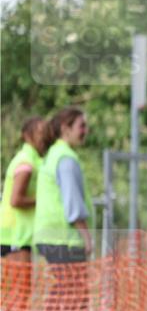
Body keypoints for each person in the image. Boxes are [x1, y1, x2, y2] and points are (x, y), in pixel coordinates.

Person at [33, 107, 93, 262]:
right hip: (64, 239)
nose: (86, 131)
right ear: (65, 128)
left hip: (50, 237)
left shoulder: (53, 154)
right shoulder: (66, 159)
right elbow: (73, 203)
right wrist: (86, 237)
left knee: (64, 286)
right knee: (72, 286)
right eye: (81, 126)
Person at [1, 116, 51, 260]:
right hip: (14, 234)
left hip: (22, 235)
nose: (45, 137)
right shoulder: (26, 162)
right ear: (27, 136)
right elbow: (16, 200)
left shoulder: (36, 160)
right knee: (15, 283)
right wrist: (43, 201)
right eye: (41, 132)